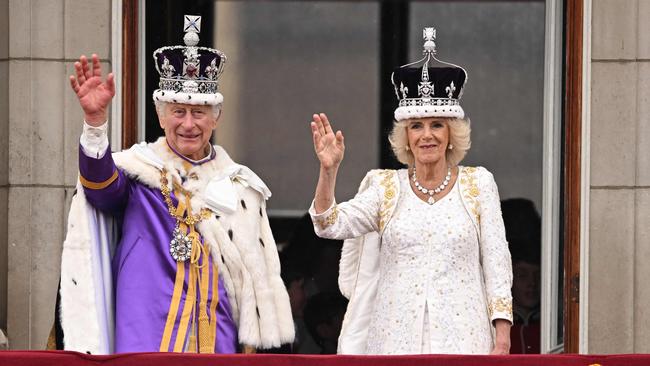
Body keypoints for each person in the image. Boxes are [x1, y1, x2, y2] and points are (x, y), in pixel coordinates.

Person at [54, 15, 294, 354]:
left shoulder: (240, 187)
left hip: (217, 333)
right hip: (146, 331)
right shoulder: (140, 173)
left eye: (199, 113)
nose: (188, 124)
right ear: (161, 115)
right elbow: (100, 188)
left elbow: (254, 281)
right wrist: (95, 124)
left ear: (216, 118)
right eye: (178, 111)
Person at [308, 27, 512, 355]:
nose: (426, 135)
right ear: (405, 136)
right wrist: (328, 170)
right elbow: (329, 224)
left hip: (465, 341)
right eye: (416, 126)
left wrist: (501, 336)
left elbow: (497, 263)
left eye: (436, 125)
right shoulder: (385, 187)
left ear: (451, 133)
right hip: (393, 342)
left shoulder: (478, 184)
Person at [501, 198, 542, 354]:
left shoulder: (554, 328)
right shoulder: (494, 326)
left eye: (537, 275)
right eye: (522, 275)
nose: (532, 283)